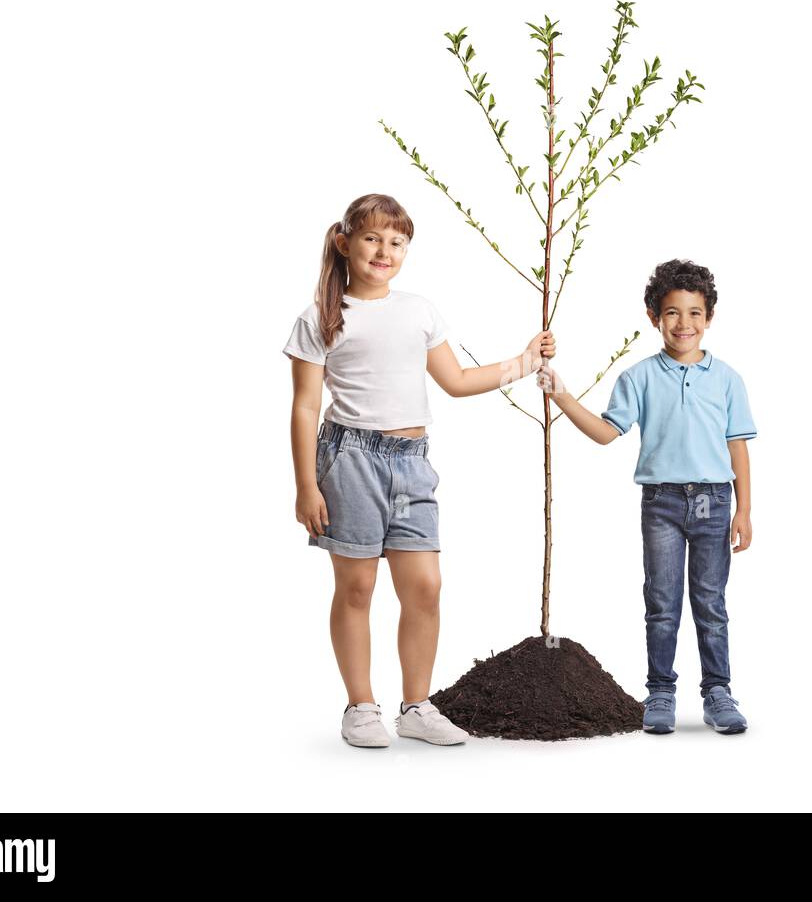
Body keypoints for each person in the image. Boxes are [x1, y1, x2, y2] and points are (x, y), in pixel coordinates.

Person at [283, 193, 555, 747]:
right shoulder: (321, 317)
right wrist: (306, 484)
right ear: (345, 242)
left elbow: (456, 381)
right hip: (349, 459)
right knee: (357, 587)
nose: (384, 251)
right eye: (372, 239)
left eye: (396, 242)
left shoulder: (418, 309)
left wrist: (526, 362)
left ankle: (416, 706)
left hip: (412, 464)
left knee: (425, 587)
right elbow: (306, 405)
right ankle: (360, 706)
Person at [537, 259, 754, 735]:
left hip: (715, 502)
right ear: (655, 317)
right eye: (672, 313)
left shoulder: (728, 380)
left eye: (695, 313)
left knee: (710, 602)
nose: (684, 324)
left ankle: (718, 691)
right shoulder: (638, 378)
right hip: (662, 504)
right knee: (661, 600)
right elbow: (605, 433)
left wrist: (745, 510)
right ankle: (660, 691)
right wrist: (562, 396)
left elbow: (736, 445)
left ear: (709, 318)